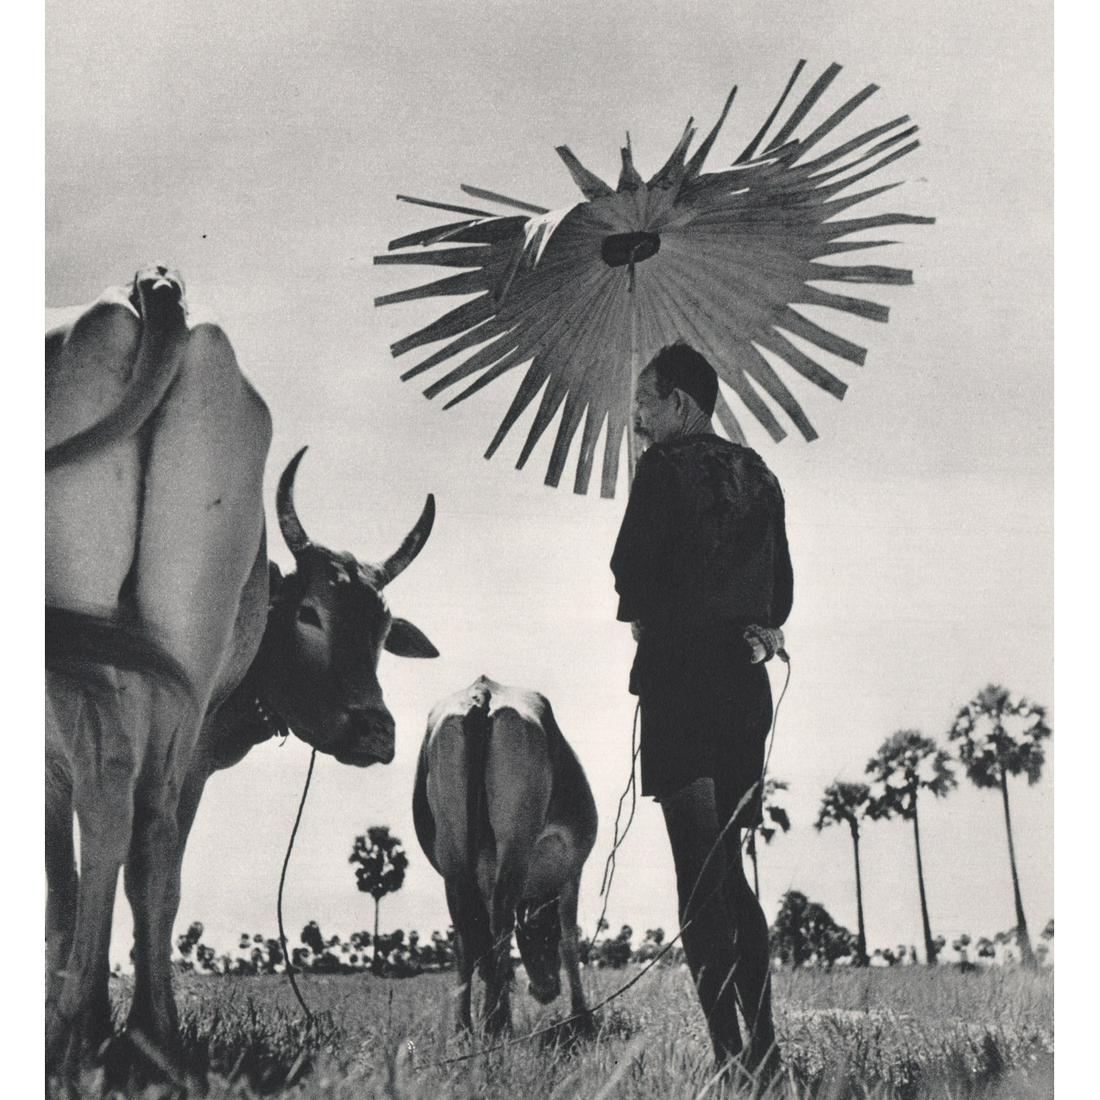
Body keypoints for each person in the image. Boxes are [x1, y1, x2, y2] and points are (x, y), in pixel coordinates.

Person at [610, 341, 792, 1079]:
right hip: (744, 693)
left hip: (682, 684)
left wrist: (645, 600)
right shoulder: (761, 474)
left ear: (680, 404)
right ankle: (768, 1047)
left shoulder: (660, 470)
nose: (638, 419)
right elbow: (779, 597)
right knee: (730, 868)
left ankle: (730, 1060)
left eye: (645, 404)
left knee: (699, 875)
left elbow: (629, 575)